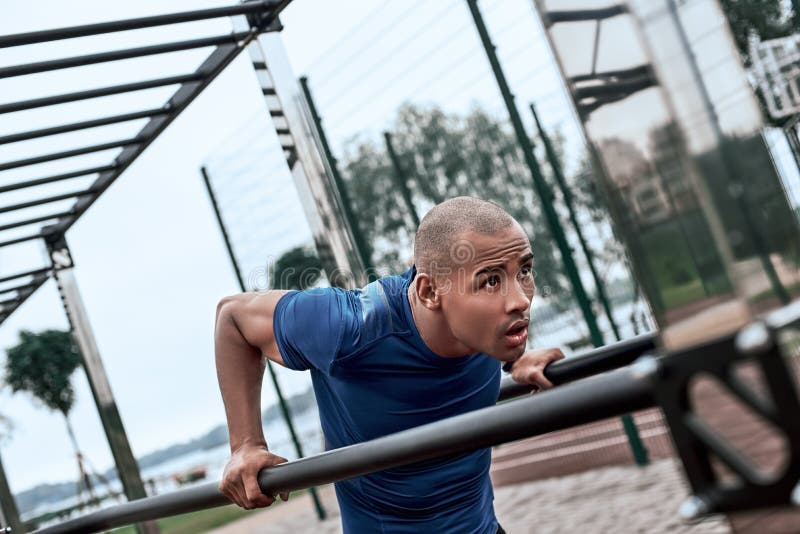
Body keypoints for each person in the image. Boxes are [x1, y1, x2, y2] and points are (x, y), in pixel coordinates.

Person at [215, 197, 565, 533]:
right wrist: (246, 444)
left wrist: (516, 359)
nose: (520, 299)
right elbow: (233, 317)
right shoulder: (350, 326)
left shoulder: (484, 324)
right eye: (490, 281)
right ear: (429, 293)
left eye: (525, 270)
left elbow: (504, 311)